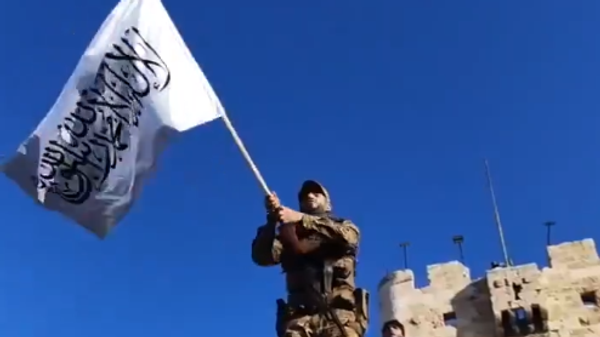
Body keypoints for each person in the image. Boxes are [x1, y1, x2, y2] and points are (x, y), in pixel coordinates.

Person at [252, 180, 369, 337]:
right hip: (299, 319)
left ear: (328, 204)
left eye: (316, 193)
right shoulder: (289, 234)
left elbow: (348, 238)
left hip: (339, 317)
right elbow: (262, 257)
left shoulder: (343, 225)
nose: (310, 196)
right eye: (305, 195)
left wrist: (300, 218)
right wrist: (271, 221)